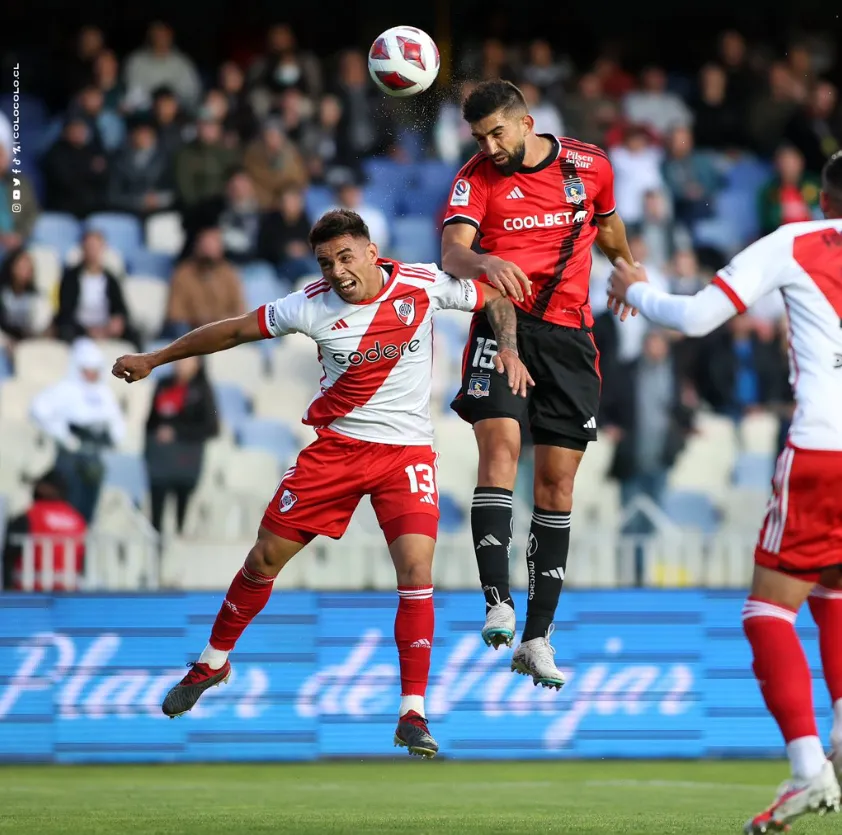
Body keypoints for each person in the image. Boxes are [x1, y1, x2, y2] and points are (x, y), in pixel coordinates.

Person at [112, 209, 532, 757]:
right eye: (326, 261)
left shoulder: (422, 284)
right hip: (336, 451)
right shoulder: (309, 304)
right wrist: (156, 358)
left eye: (345, 256)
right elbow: (235, 330)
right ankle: (211, 663)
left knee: (416, 572)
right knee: (264, 558)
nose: (336, 271)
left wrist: (508, 348)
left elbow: (495, 297)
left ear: (372, 250)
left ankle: (413, 712)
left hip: (405, 454)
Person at [606, 150, 842, 833]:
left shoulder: (794, 241)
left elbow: (697, 317)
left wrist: (638, 286)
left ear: (823, 200)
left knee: (767, 611)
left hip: (824, 447)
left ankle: (807, 769)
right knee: (831, 584)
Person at [440, 79, 634, 687]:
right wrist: (485, 262)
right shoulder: (476, 177)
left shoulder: (589, 164)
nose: (489, 145)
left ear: (526, 123)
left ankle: (538, 638)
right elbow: (452, 251)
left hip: (572, 340)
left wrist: (627, 268)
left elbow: (608, 228)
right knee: (499, 449)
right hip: (501, 325)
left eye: (497, 132)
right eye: (480, 136)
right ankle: (497, 599)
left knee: (557, 486)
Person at [31, 338, 125, 522]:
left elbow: (116, 423)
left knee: (88, 509)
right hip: (71, 457)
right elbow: (38, 410)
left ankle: (82, 542)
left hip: (95, 456)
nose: (90, 375)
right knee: (69, 505)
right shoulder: (64, 389)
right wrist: (63, 435)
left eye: (94, 370)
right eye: (86, 370)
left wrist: (113, 438)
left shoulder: (104, 393)